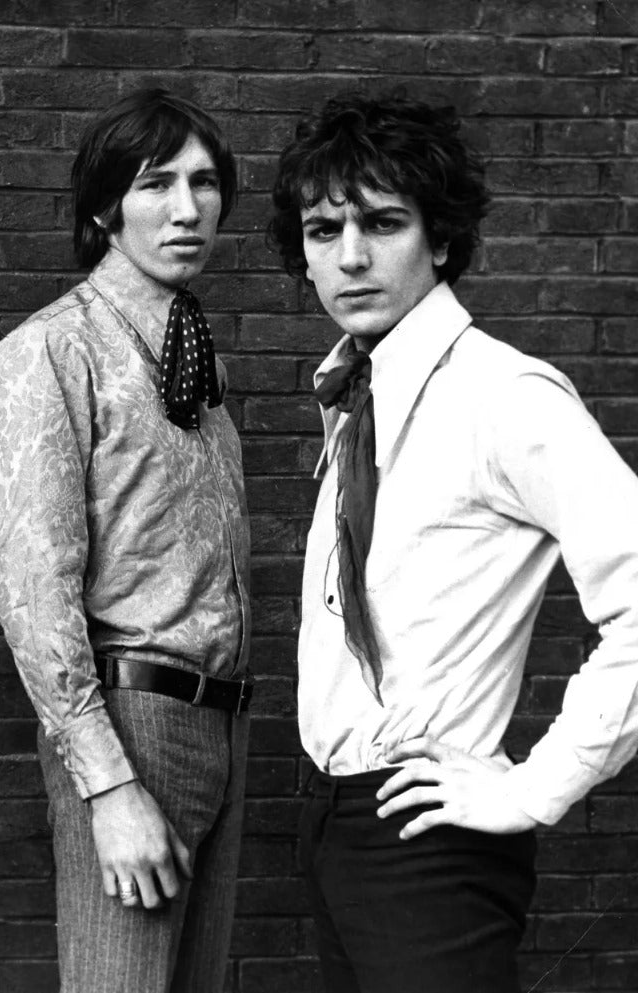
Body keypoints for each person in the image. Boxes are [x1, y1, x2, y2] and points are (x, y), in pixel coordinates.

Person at [270, 92, 638, 993]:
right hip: (333, 820)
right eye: (324, 230)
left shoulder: (503, 396)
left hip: (429, 848)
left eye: (383, 223)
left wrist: (532, 787)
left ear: (440, 239)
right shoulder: (355, 391)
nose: (349, 256)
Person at [0, 88, 252, 993]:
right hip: (132, 724)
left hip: (222, 720)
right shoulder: (50, 350)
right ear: (104, 209)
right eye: (156, 183)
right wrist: (108, 785)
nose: (188, 208)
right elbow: (32, 589)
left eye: (205, 183)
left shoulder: (193, 353)